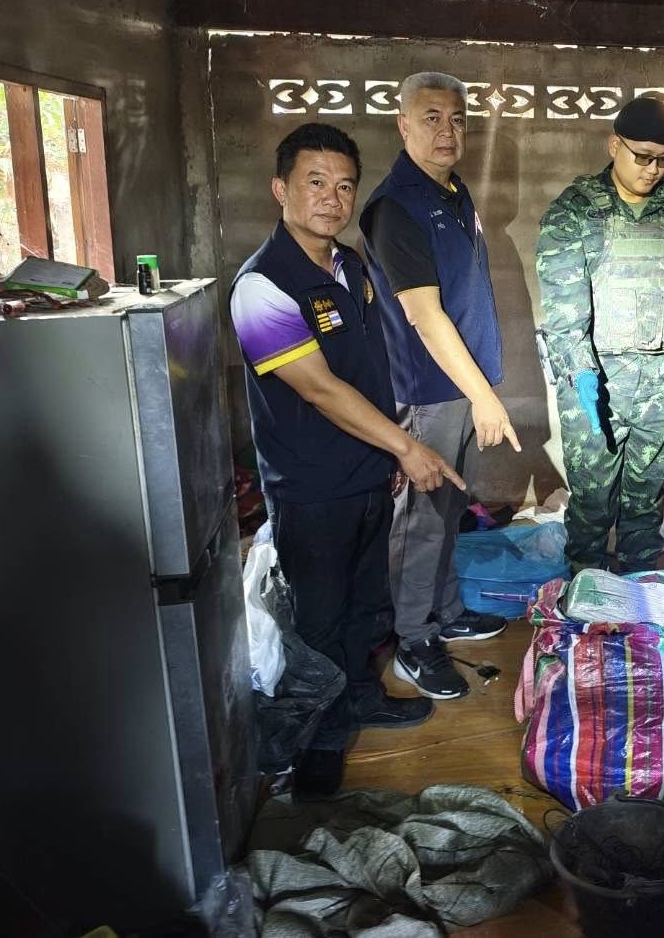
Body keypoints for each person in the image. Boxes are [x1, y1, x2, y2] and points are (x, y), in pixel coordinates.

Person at [231, 122, 463, 798]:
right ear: (280, 189)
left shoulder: (351, 266)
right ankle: (319, 741)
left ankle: (359, 697)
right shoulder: (262, 287)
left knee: (367, 603)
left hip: (365, 470)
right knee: (320, 618)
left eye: (343, 186)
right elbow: (320, 390)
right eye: (314, 183)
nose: (331, 199)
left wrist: (386, 451)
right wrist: (407, 446)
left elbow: (366, 369)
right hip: (310, 485)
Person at [361, 72, 516, 701]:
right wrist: (483, 396)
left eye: (456, 119)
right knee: (422, 521)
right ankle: (412, 639)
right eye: (431, 118)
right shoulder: (395, 207)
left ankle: (445, 611)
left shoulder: (451, 191)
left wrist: (479, 389)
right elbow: (425, 317)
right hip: (430, 391)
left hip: (463, 384)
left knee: (451, 509)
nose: (446, 131)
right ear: (403, 125)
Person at [536, 97, 664, 574]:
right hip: (597, 382)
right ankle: (586, 592)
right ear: (614, 146)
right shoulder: (575, 211)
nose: (653, 169)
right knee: (591, 503)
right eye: (643, 157)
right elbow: (563, 307)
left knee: (645, 502)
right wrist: (581, 373)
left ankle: (639, 594)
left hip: (660, 382)